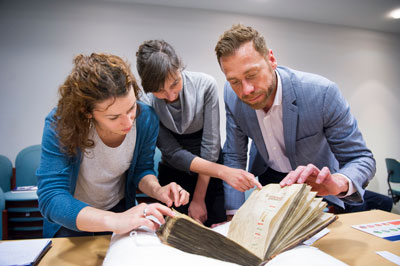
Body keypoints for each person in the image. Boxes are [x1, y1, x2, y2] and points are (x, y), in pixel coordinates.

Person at [214, 24, 377, 218]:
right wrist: (234, 216)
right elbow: (234, 155)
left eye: (252, 75)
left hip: (318, 188)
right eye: (235, 81)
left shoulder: (322, 93)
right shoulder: (231, 95)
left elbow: (361, 159)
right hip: (271, 180)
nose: (246, 90)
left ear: (271, 60)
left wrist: (337, 183)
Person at [36, 53, 190, 238]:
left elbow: (142, 170)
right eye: (114, 117)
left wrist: (158, 190)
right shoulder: (61, 123)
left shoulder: (146, 118)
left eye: (131, 107)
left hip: (119, 210)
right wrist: (114, 221)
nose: (127, 122)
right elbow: (52, 197)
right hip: (73, 219)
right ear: (86, 112)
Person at [136, 40, 261, 226]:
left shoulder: (205, 85)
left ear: (179, 68)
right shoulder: (146, 102)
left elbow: (210, 147)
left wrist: (199, 198)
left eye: (175, 84)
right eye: (160, 91)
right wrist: (224, 172)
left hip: (210, 175)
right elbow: (173, 152)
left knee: (217, 231)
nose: (170, 96)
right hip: (174, 175)